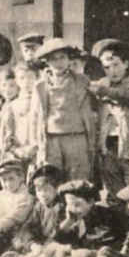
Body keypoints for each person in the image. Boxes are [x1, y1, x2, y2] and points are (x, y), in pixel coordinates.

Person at [34, 38, 98, 183]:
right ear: (47, 62)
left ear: (69, 59)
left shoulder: (82, 81)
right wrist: (38, 143)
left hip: (76, 136)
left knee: (78, 178)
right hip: (52, 138)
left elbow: (92, 107)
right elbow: (36, 117)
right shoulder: (41, 86)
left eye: (62, 57)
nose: (59, 63)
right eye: (53, 59)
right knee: (52, 178)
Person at [90, 38, 129, 196]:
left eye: (116, 65)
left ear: (126, 64)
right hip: (107, 145)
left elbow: (128, 96)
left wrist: (103, 91)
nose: (111, 71)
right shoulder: (103, 83)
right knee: (113, 192)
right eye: (106, 67)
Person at [0, 62, 42, 172]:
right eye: (22, 78)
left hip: (39, 152)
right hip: (18, 153)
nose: (26, 82)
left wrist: (36, 147)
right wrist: (16, 150)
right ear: (16, 80)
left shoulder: (42, 102)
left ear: (37, 78)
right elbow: (6, 135)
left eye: (30, 77)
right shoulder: (12, 106)